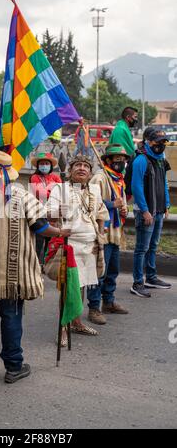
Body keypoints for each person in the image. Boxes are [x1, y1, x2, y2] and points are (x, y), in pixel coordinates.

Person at [0, 151, 70, 383]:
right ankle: (13, 366)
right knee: (11, 317)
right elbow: (41, 229)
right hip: (15, 272)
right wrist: (60, 232)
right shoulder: (24, 196)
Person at [47, 155, 109, 341]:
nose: (82, 168)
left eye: (85, 166)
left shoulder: (95, 190)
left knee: (81, 285)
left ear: (90, 172)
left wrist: (99, 234)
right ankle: (63, 328)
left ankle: (77, 322)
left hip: (90, 245)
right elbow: (48, 213)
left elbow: (100, 213)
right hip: (70, 245)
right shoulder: (61, 188)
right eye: (78, 165)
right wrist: (60, 210)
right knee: (68, 287)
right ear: (71, 170)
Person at [88, 144, 130, 325]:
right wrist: (113, 205)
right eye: (117, 159)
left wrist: (123, 208)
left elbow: (120, 202)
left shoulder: (118, 179)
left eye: (123, 159)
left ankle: (109, 301)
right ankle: (94, 307)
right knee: (99, 272)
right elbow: (90, 201)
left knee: (113, 270)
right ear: (108, 160)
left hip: (115, 232)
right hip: (103, 232)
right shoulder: (100, 177)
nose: (120, 162)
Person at [130, 128, 171, 297]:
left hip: (159, 210)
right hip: (146, 212)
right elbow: (136, 187)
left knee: (153, 246)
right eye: (157, 142)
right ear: (148, 141)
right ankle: (137, 282)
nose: (161, 145)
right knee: (142, 248)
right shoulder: (141, 160)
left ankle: (151, 277)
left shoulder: (161, 159)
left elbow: (164, 183)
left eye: (163, 142)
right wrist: (145, 211)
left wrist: (166, 204)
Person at [29, 153, 61, 264]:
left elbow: (60, 192)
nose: (44, 165)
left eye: (46, 163)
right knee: (38, 239)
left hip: (54, 212)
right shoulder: (34, 177)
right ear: (38, 166)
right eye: (42, 163)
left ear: (51, 165)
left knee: (51, 240)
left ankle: (48, 264)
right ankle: (36, 264)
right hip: (39, 212)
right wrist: (53, 193)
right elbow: (38, 192)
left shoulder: (56, 177)